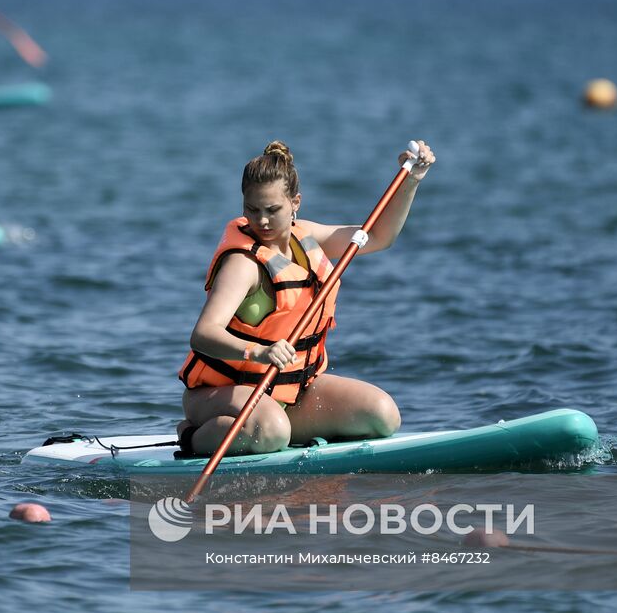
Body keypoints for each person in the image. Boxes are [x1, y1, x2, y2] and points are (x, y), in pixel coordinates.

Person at [177, 139, 436, 457]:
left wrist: (411, 181)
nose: (262, 221)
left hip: (289, 391)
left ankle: (277, 436)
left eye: (273, 210)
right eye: (252, 210)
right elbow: (203, 335)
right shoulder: (242, 264)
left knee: (382, 414)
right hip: (220, 392)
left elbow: (381, 237)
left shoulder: (308, 237)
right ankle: (192, 437)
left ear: (295, 203)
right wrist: (258, 352)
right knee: (271, 430)